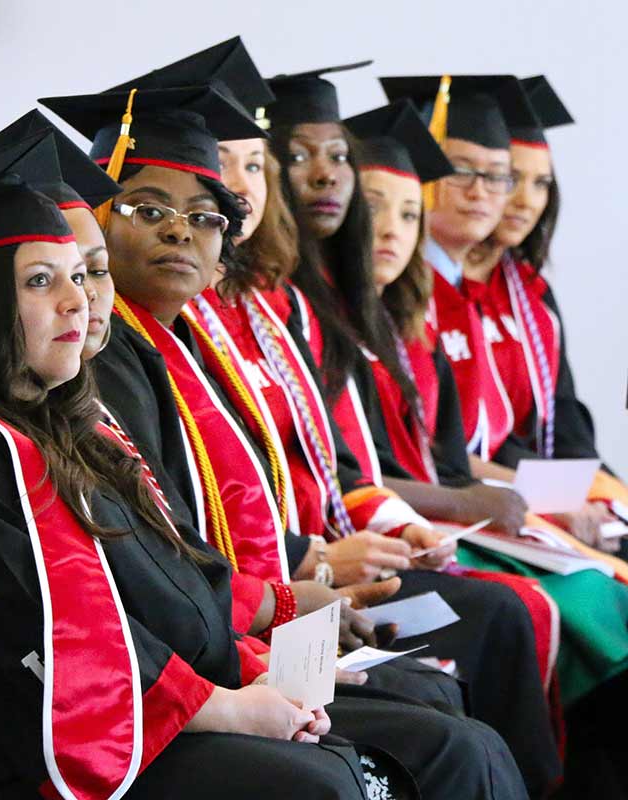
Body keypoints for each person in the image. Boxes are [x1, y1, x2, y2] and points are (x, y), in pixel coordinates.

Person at [0, 135, 378, 800]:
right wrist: (222, 705)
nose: (77, 302)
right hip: (18, 765)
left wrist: (243, 676)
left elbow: (124, 609)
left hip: (105, 728)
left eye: (81, 277)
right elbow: (43, 639)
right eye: (40, 280)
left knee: (348, 753)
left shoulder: (33, 430)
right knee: (317, 783)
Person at [40, 70, 531, 800]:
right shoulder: (99, 363)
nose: (180, 229)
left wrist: (302, 597)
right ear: (98, 231)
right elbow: (158, 562)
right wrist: (303, 593)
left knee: (441, 699)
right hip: (193, 656)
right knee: (449, 732)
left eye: (205, 216)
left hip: (241, 618)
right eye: (148, 209)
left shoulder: (197, 345)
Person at [259, 66, 562, 796]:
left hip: (336, 562)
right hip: (287, 586)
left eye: (405, 215)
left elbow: (350, 469)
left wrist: (403, 529)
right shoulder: (278, 314)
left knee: (522, 616)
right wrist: (321, 560)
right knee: (501, 625)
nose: (391, 230)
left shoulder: (355, 316)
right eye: (297, 159)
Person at [462, 75, 628, 550]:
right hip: (480, 488)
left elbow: (563, 414)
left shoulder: (530, 293)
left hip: (538, 476)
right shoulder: (434, 297)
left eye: (541, 184)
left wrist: (593, 493)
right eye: (510, 178)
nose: (526, 200)